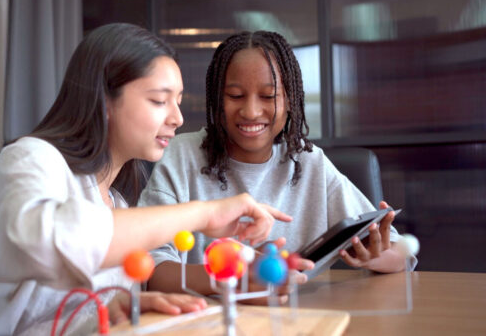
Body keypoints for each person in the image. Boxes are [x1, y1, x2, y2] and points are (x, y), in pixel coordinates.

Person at [0, 23, 290, 336]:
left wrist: (121, 307)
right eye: (159, 100)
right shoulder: (30, 159)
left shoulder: (117, 203)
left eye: (178, 101)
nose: (178, 118)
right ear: (103, 100)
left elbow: (62, 311)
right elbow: (53, 244)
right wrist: (203, 214)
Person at [141, 31, 407, 301]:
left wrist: (375, 255)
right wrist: (235, 276)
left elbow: (400, 254)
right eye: (235, 95)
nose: (251, 112)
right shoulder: (180, 156)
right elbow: (149, 271)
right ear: (216, 99)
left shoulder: (309, 161)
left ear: (291, 100)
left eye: (268, 96)